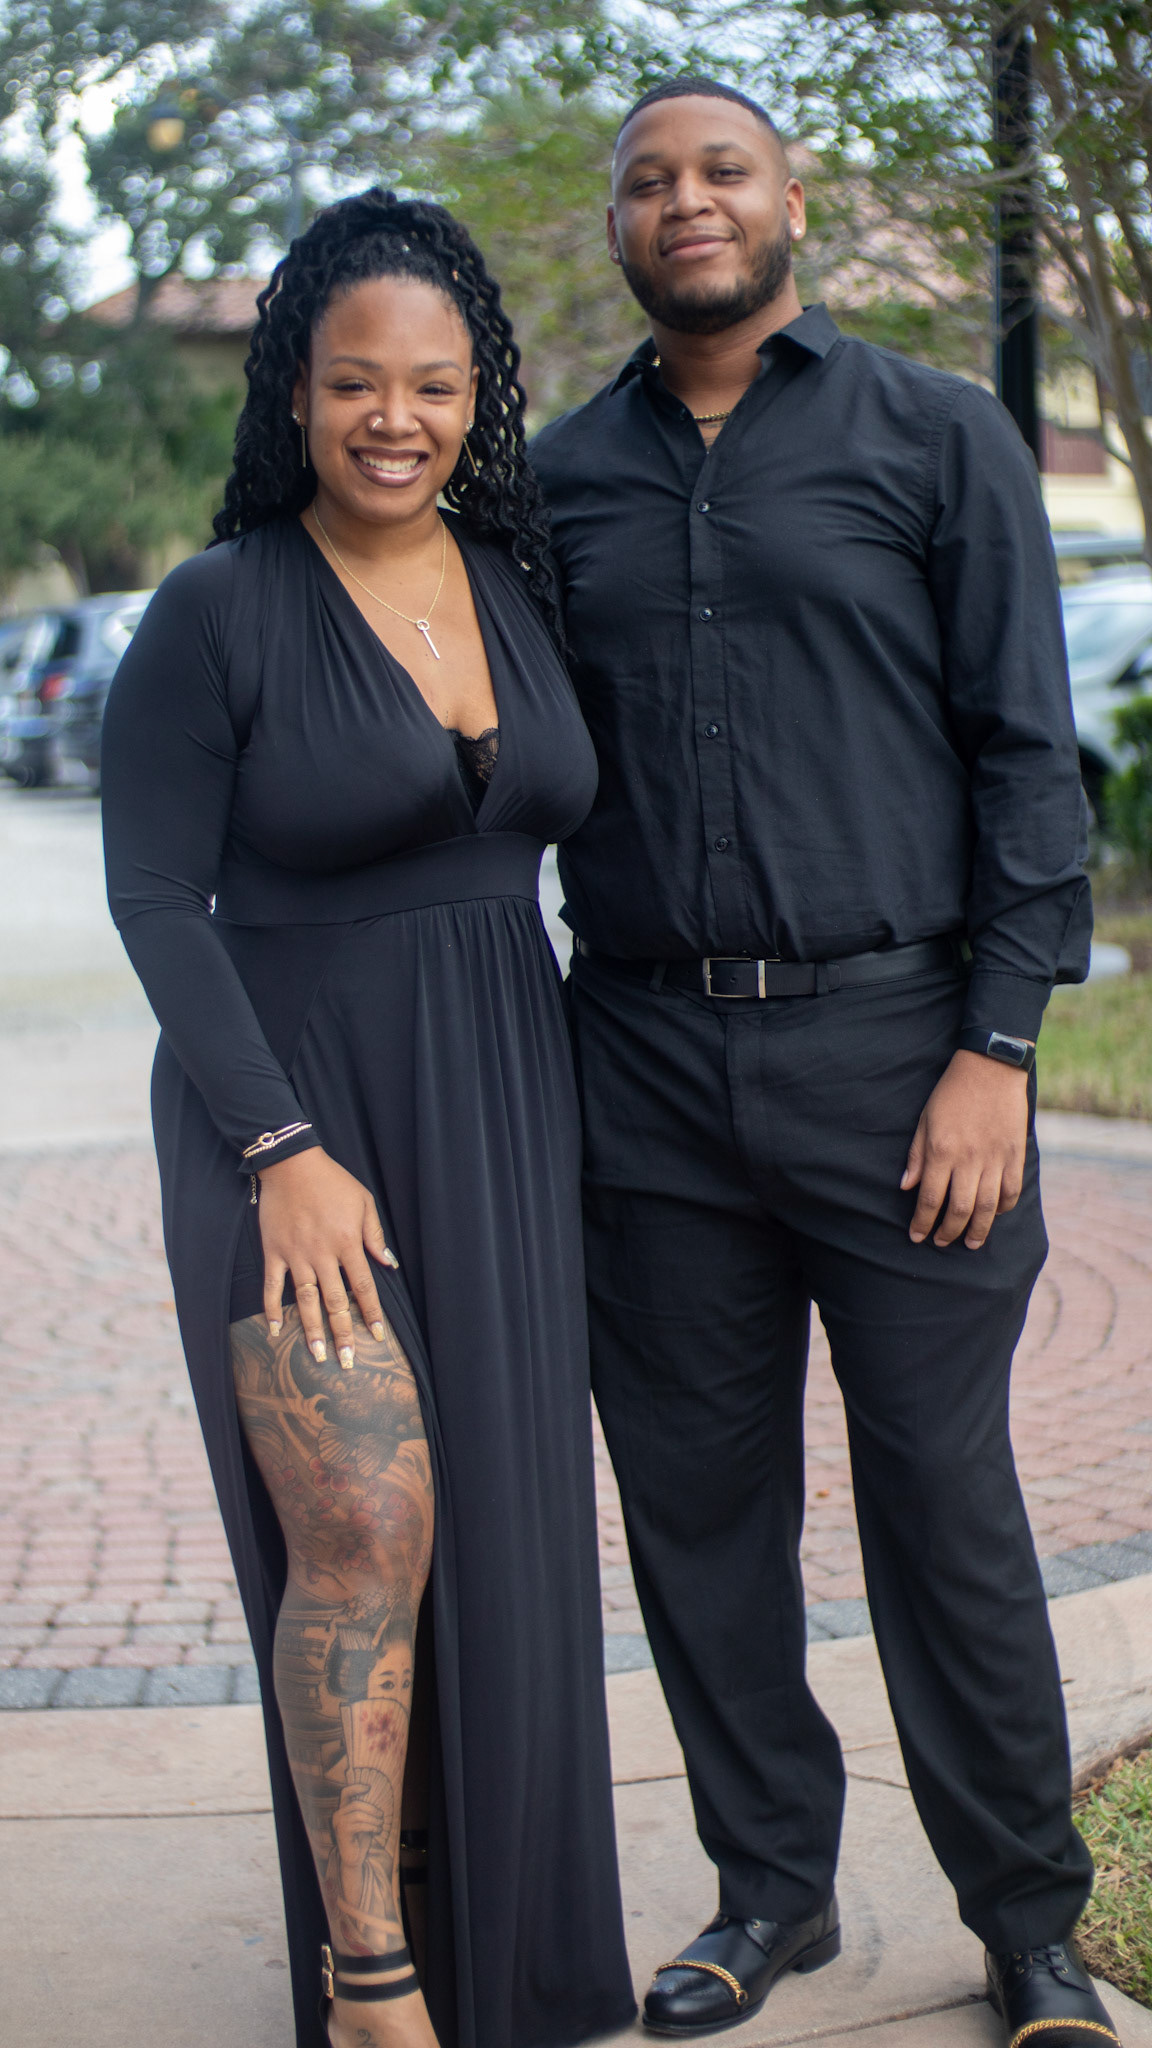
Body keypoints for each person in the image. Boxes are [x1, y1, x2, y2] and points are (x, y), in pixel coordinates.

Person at [531, 76, 1119, 2048]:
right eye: (649, 181)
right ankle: (770, 1890)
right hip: (642, 1064)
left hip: (900, 1059)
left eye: (721, 170)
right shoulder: (554, 482)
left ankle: (1027, 1924)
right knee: (698, 1520)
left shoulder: (938, 436)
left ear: (794, 198)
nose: (684, 202)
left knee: (943, 1504)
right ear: (622, 227)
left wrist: (997, 1046)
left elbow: (1028, 762)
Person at [102, 188, 636, 2048]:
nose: (393, 418)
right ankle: (375, 1982)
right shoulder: (220, 608)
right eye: (354, 383)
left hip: (502, 1107)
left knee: (496, 1536)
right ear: (297, 391)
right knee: (365, 1527)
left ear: (478, 396)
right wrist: (281, 1154)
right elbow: (155, 899)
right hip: (288, 1123)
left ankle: (511, 1952)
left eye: (431, 385)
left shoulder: (519, 581)